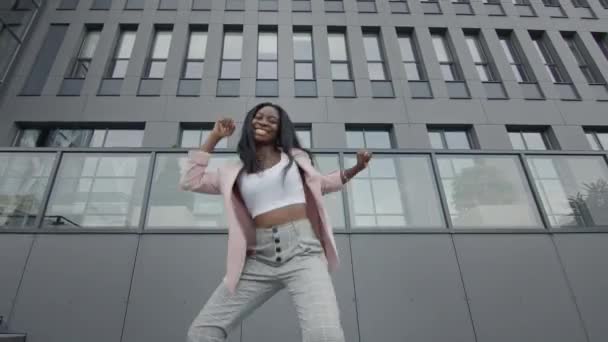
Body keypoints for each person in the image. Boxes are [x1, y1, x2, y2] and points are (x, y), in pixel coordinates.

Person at [180, 102, 372, 342]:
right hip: (259, 258)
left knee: (325, 334)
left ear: (280, 129)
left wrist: (356, 168)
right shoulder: (232, 172)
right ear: (250, 123)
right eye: (258, 117)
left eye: (272, 120)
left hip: (303, 252)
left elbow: (322, 184)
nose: (263, 122)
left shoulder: (296, 160)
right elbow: (190, 181)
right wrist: (214, 137)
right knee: (202, 332)